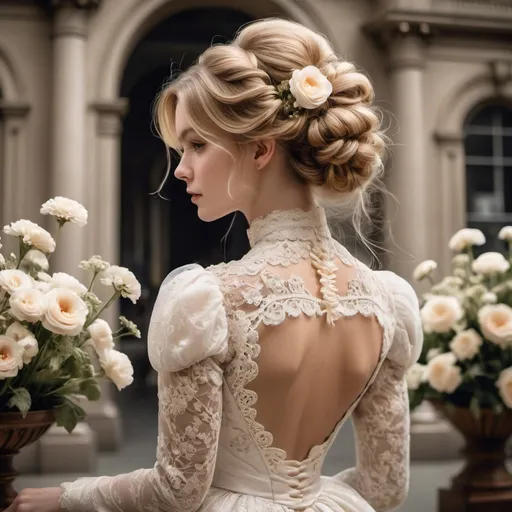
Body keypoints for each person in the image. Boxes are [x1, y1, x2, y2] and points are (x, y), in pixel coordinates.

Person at [8, 17, 423, 512]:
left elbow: (177, 490)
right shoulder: (388, 301)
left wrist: (67, 496)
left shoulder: (211, 299)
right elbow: (385, 488)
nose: (180, 168)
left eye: (197, 145)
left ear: (262, 149)